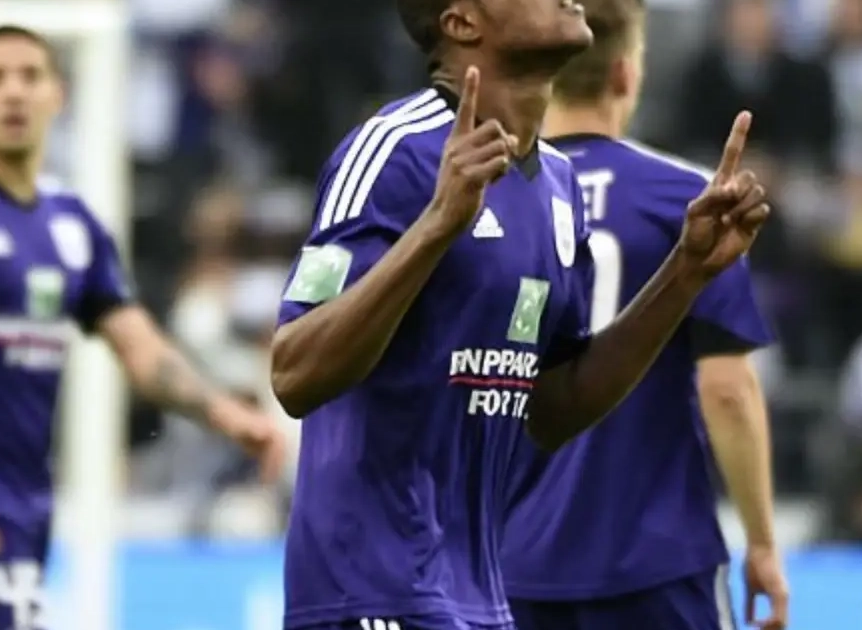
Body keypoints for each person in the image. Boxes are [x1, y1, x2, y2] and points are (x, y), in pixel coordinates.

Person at [268, 0, 771, 627]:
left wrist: (687, 272)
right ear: (462, 23)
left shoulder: (557, 184)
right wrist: (436, 227)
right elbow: (293, 372)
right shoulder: (395, 150)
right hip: (374, 592)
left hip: (478, 598)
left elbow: (556, 406)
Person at [0, 25, 285, 630]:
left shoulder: (72, 226)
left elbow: (139, 347)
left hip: (17, 507)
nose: (14, 92)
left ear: (58, 95)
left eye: (30, 76)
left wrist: (225, 414)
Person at [498, 1, 789, 629]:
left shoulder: (497, 200)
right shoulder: (689, 202)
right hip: (654, 560)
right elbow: (727, 390)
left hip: (513, 560)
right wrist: (763, 543)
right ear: (626, 74)